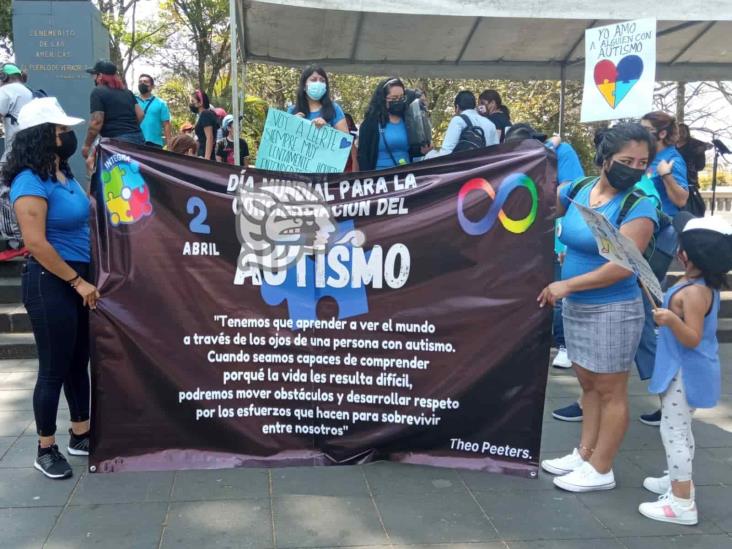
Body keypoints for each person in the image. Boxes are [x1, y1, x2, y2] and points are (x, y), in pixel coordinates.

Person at [538, 123, 658, 492]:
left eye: (642, 162)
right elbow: (534, 209)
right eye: (626, 160)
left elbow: (622, 265)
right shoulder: (577, 190)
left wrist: (567, 284)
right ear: (605, 158)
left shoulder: (640, 206)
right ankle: (585, 453)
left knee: (611, 390)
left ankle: (602, 468)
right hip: (576, 307)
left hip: (613, 310)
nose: (634, 168)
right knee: (587, 385)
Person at [1, 97, 100, 479]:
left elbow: (88, 213)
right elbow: (37, 243)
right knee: (53, 369)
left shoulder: (64, 174)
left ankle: (81, 433)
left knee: (79, 362)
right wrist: (76, 282)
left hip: (79, 278)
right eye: (61, 132)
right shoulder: (29, 181)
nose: (68, 137)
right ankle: (45, 447)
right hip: (52, 282)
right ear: (43, 137)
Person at [638, 213, 732, 525]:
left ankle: (681, 502)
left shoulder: (694, 292)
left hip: (686, 372)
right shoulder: (697, 282)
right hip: (683, 368)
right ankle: (678, 480)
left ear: (686, 254)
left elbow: (691, 337)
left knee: (673, 432)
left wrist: (669, 319)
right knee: (679, 429)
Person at [634, 112, 690, 427]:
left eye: (645, 131)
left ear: (663, 133)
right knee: (640, 307)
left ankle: (669, 393)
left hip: (661, 239)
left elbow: (680, 200)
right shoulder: (648, 156)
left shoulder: (671, 159)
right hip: (648, 235)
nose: (640, 134)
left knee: (644, 306)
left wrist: (667, 175)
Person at [359, 77, 430, 171]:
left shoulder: (408, 121)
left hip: (405, 178)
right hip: (379, 179)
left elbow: (414, 151)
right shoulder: (370, 123)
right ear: (383, 99)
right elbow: (363, 156)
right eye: (394, 98)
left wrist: (422, 150)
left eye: (401, 97)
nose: (399, 100)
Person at [0, 63, 34, 258]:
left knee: (5, 191)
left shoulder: (7, 91)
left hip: (15, 150)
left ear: (4, 77)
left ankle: (17, 240)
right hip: (31, 149)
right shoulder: (28, 91)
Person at [82, 60, 144, 161]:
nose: (93, 78)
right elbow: (140, 114)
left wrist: (86, 145)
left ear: (100, 76)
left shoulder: (98, 91)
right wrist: (128, 128)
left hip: (117, 142)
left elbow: (96, 122)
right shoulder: (127, 92)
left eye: (94, 75)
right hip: (138, 138)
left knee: (93, 165)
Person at [288, 65, 349, 135]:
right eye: (313, 80)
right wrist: (292, 125)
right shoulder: (292, 110)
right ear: (304, 86)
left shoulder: (334, 109)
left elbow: (345, 141)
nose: (318, 83)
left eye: (322, 81)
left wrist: (326, 129)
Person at [436, 90, 498, 155]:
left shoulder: (458, 120)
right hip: (485, 164)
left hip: (463, 163)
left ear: (457, 107)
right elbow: (495, 152)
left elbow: (446, 151)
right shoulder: (491, 124)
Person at [135, 73, 171, 149]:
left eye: (145, 82)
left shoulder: (161, 103)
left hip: (155, 144)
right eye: (140, 82)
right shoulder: (133, 100)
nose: (142, 84)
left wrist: (169, 145)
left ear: (152, 86)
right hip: (135, 142)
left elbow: (166, 125)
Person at [190, 90, 217, 160]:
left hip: (206, 155)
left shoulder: (205, 114)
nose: (191, 104)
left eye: (193, 101)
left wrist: (206, 159)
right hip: (201, 154)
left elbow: (210, 137)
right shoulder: (202, 115)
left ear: (200, 102)